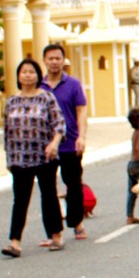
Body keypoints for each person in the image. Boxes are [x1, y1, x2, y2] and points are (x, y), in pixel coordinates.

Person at [0, 56, 64, 257]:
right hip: (19, 157)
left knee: (48, 195)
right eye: (24, 72)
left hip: (44, 156)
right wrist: (9, 158)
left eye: (31, 72)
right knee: (20, 199)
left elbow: (59, 125)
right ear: (18, 76)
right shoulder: (12, 101)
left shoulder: (46, 98)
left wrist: (54, 143)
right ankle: (15, 241)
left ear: (38, 76)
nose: (27, 75)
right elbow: (7, 132)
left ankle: (56, 235)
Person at [40, 44, 90, 241]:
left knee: (73, 184)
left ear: (63, 60)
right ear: (44, 61)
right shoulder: (39, 86)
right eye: (50, 58)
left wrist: (82, 136)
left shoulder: (73, 84)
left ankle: (77, 222)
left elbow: (81, 110)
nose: (54, 62)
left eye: (57, 58)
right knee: (48, 189)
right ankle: (54, 231)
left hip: (70, 143)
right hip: (45, 146)